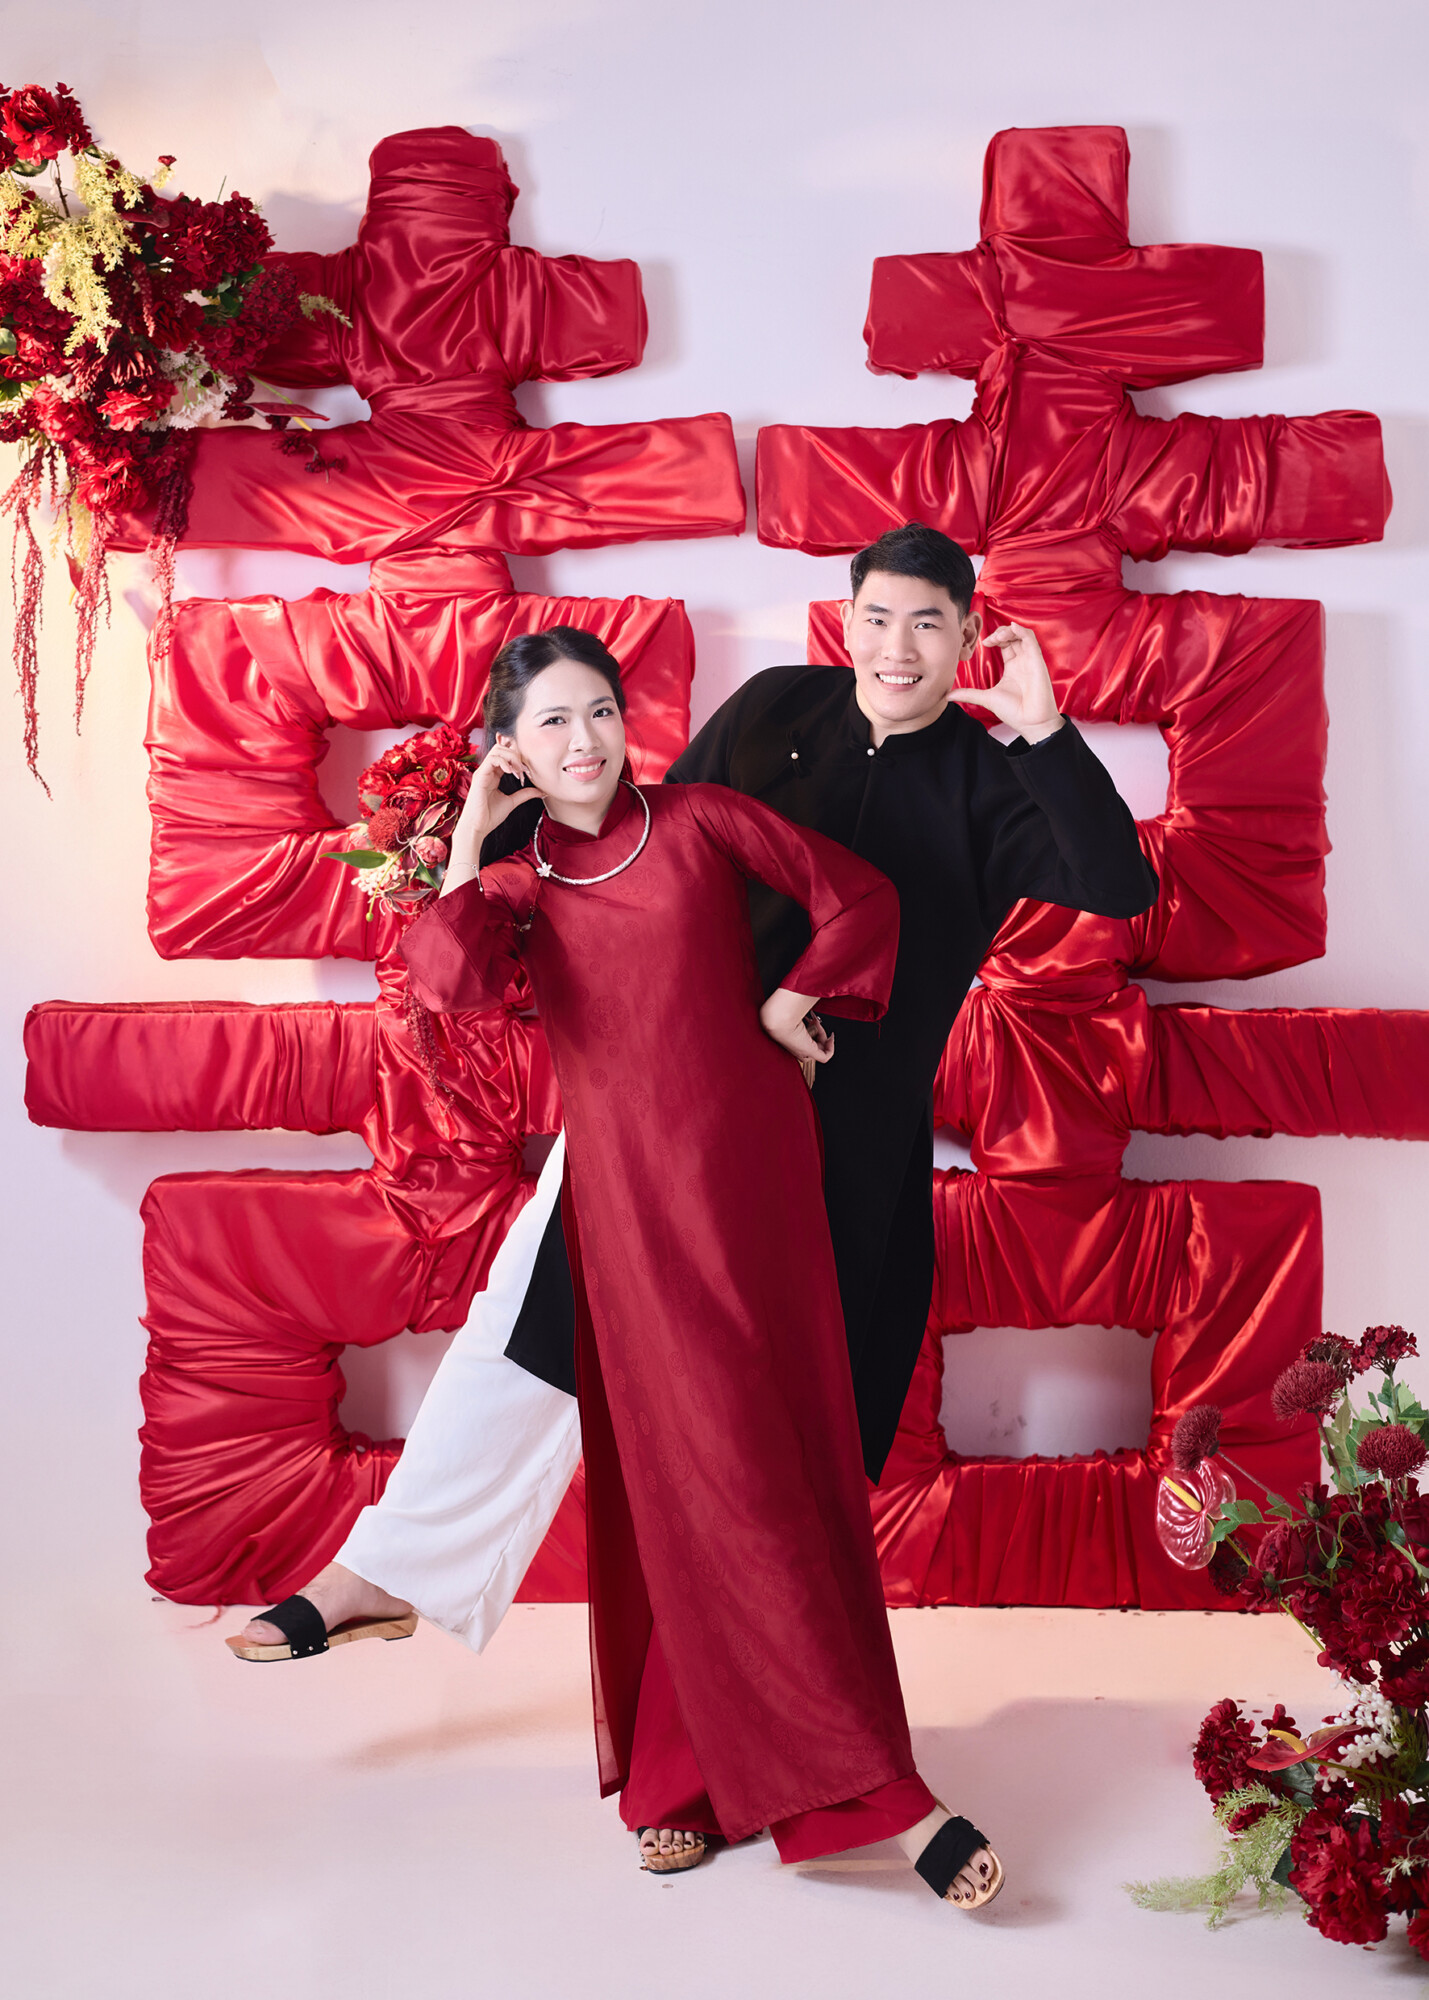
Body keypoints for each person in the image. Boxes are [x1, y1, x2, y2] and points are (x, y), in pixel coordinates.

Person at [232, 626, 1002, 1904]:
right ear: (511, 750)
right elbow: (448, 981)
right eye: (550, 723)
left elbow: (860, 899)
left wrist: (790, 1000)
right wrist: (473, 842)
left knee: (770, 1471)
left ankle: (762, 1778)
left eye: (598, 710)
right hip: (633, 1217)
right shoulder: (520, 884)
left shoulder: (702, 820)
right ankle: (745, 1780)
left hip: (759, 1191)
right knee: (680, 1482)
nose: (584, 740)